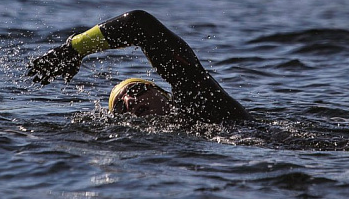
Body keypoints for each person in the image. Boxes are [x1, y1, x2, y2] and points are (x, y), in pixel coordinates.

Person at [27, 10, 251, 124]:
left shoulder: (198, 102)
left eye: (135, 90)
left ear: (163, 94)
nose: (128, 101)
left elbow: (139, 24)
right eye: (120, 109)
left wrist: (74, 49)